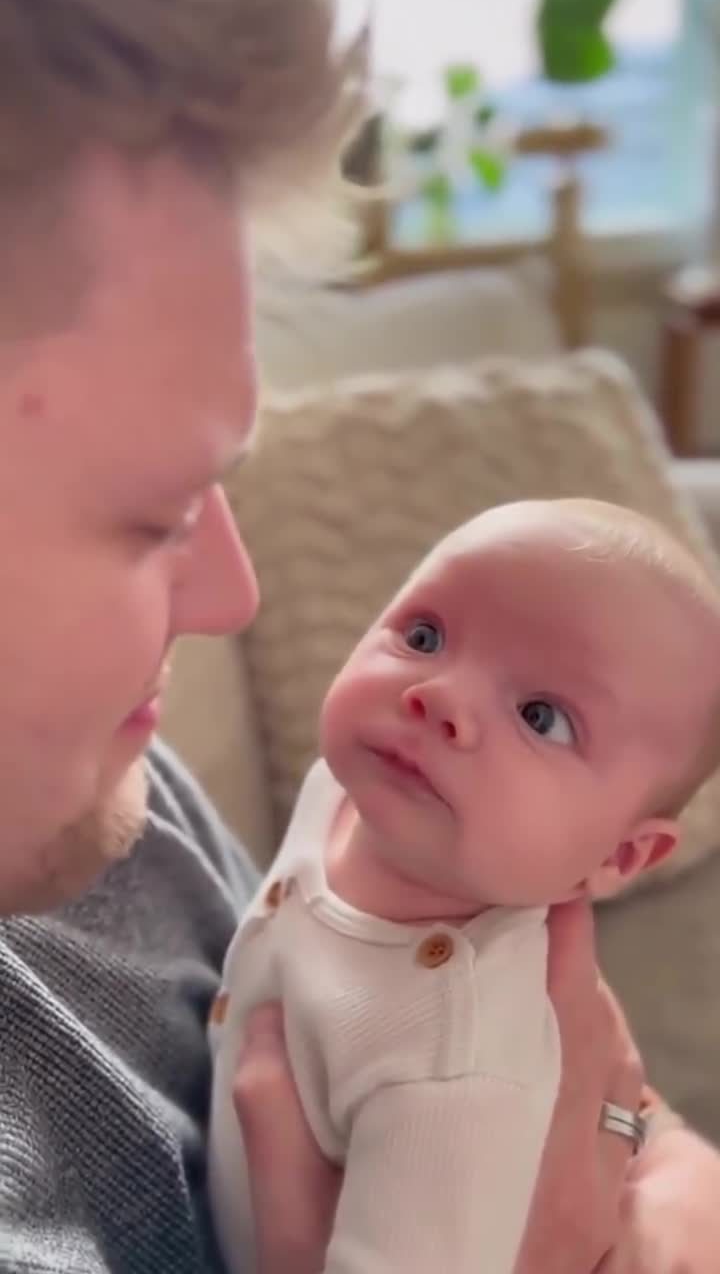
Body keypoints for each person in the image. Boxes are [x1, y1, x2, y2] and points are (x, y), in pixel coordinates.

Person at [0, 0, 715, 1273]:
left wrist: (657, 1160)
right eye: (153, 516)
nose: (233, 593)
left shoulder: (100, 778)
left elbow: (613, 1106)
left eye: (540, 713)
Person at [208, 498, 720, 1274]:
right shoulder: (343, 792)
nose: (438, 696)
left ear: (621, 855)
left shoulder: (459, 1065)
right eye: (424, 637)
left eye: (542, 717)